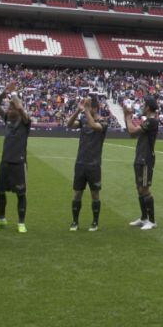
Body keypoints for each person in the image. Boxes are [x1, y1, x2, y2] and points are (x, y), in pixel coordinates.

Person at [0, 84, 31, 233]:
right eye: (9, 108)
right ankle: (1, 219)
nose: (9, 110)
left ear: (17, 110)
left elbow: (23, 112)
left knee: (21, 194)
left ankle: (21, 222)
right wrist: (5, 92)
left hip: (19, 163)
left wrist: (16, 100)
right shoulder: (7, 119)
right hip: (5, 162)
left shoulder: (25, 122)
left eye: (11, 108)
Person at [67, 96, 109, 232]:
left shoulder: (103, 122)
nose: (87, 109)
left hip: (94, 164)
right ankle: (74, 222)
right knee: (77, 194)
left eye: (89, 106)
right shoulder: (84, 119)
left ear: (95, 108)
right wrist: (78, 111)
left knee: (95, 194)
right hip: (80, 162)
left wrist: (85, 110)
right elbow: (69, 124)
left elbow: (94, 126)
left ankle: (95, 222)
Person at [125, 97, 159, 230]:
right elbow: (132, 134)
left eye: (144, 105)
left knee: (144, 189)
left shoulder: (152, 121)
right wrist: (126, 117)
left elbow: (132, 131)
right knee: (139, 188)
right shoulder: (147, 122)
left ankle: (152, 221)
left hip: (146, 159)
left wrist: (128, 118)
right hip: (140, 157)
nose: (142, 107)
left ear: (148, 108)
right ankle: (144, 217)